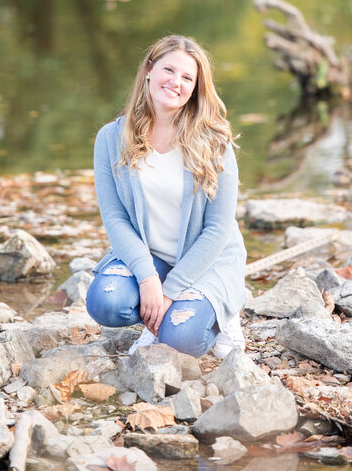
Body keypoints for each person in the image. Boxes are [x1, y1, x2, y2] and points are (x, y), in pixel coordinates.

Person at [86, 34, 246, 358]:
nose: (176, 82)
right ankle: (161, 310)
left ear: (195, 88)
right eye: (168, 70)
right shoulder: (111, 138)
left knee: (181, 339)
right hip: (152, 255)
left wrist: (170, 292)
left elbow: (218, 230)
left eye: (187, 77)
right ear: (148, 69)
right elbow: (115, 219)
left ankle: (224, 314)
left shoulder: (215, 143)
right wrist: (146, 278)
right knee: (106, 301)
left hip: (207, 260)